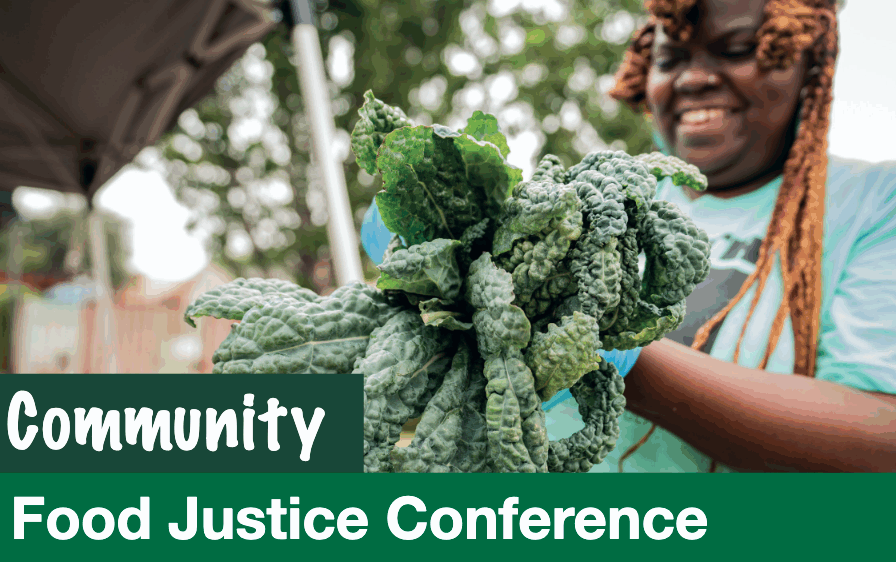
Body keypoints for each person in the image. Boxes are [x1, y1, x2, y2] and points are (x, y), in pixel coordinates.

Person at [362, 0, 896, 472]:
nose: (693, 79)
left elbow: (879, 437)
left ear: (809, 64)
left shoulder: (874, 202)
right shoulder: (591, 204)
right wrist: (435, 242)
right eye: (671, 60)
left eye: (735, 49)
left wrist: (622, 355)